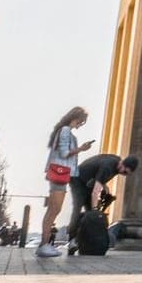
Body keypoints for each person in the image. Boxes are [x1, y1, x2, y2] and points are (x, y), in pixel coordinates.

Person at [36, 106, 92, 258]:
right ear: (77, 118)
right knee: (54, 209)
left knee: (54, 209)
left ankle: (45, 244)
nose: (81, 124)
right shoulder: (66, 130)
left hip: (60, 173)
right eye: (82, 121)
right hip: (60, 172)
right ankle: (44, 244)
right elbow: (64, 153)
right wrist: (81, 148)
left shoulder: (63, 130)